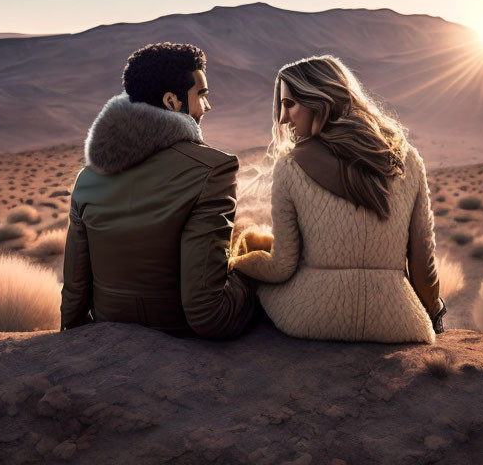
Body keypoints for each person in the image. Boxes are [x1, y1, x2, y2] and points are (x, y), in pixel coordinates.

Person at [230, 55, 446, 343]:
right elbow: (422, 263)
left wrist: (241, 261)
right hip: (400, 322)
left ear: (320, 100)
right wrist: (432, 312)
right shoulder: (408, 159)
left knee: (252, 244)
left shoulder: (290, 166)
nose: (283, 119)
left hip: (311, 316)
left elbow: (282, 267)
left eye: (289, 104)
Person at [60, 42, 256, 338]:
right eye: (201, 95)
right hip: (176, 329)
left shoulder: (87, 177)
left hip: (108, 323)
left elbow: (75, 293)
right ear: (171, 101)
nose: (207, 106)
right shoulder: (213, 170)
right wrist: (252, 279)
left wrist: (75, 340)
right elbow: (207, 313)